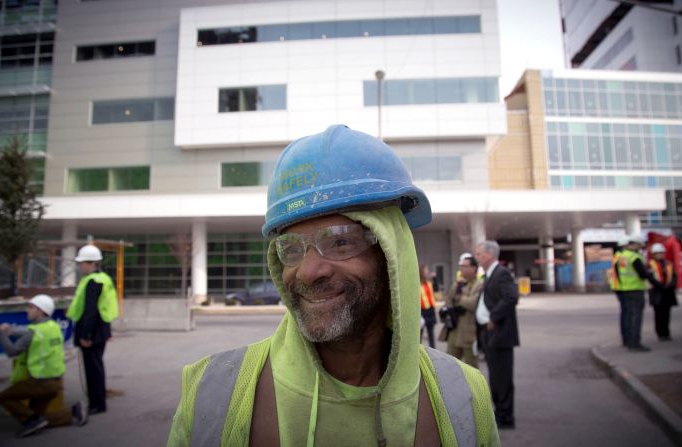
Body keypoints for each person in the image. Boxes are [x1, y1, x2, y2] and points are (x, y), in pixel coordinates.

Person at [167, 125, 499, 446]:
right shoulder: (211, 394)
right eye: (292, 249)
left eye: (340, 243)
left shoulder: (463, 397)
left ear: (390, 254)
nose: (308, 272)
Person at [0, 295, 87, 437]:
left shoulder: (34, 332)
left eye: (31, 307)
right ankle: (74, 412)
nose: (27, 310)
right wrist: (11, 330)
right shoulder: (54, 327)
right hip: (56, 383)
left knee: (2, 397)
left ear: (41, 311)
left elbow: (12, 351)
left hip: (40, 382)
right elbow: (29, 331)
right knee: (39, 417)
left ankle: (32, 421)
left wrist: (0, 333)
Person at [67, 244, 119, 415]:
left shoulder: (93, 281)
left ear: (91, 263)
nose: (80, 266)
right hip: (101, 329)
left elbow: (90, 310)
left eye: (82, 263)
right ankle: (98, 401)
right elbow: (105, 307)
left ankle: (96, 404)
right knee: (96, 367)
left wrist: (85, 335)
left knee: (93, 369)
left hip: (92, 332)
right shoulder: (104, 278)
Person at [474, 240, 519, 430]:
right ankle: (499, 412)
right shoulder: (489, 275)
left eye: (480, 254)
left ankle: (506, 417)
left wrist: (493, 317)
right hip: (488, 334)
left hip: (500, 334)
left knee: (502, 377)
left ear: (490, 255)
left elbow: (511, 298)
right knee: (494, 377)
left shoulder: (502, 274)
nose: (477, 257)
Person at [616, 234, 657, 352]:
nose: (640, 247)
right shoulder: (634, 257)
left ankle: (628, 341)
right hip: (635, 289)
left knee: (628, 315)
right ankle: (635, 343)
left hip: (625, 289)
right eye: (640, 245)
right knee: (636, 317)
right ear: (636, 244)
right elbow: (643, 274)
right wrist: (650, 273)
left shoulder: (623, 256)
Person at [443, 254, 482, 366]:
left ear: (474, 268)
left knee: (471, 367)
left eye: (465, 266)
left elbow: (474, 303)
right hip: (454, 331)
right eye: (461, 266)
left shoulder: (479, 285)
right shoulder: (458, 284)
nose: (461, 268)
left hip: (470, 333)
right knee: (450, 365)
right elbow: (448, 301)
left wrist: (460, 298)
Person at [648, 243, 677, 341]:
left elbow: (674, 276)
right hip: (657, 292)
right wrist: (659, 285)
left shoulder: (668, 264)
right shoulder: (650, 264)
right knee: (658, 314)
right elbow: (650, 278)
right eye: (658, 253)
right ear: (653, 254)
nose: (660, 255)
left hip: (667, 292)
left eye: (662, 253)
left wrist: (670, 285)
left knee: (667, 314)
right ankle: (661, 333)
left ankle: (666, 333)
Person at [609, 235, 629, 346]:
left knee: (625, 314)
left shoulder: (617, 256)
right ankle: (626, 339)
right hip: (624, 288)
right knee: (627, 314)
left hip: (620, 287)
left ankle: (626, 338)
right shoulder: (622, 257)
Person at [419, 263, 437, 349]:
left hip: (430, 311)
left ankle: (433, 352)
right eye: (426, 271)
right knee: (419, 335)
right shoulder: (417, 284)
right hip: (421, 312)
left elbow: (436, 289)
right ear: (421, 272)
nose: (428, 272)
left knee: (431, 334)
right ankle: (417, 353)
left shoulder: (429, 283)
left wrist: (435, 278)